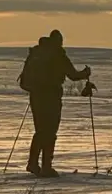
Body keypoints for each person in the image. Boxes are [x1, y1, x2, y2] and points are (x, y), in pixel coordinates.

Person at [19, 29, 91, 178]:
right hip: (51, 95)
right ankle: (46, 166)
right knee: (50, 131)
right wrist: (85, 73)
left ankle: (33, 163)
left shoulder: (37, 53)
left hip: (36, 95)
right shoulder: (58, 55)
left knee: (40, 130)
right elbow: (73, 75)